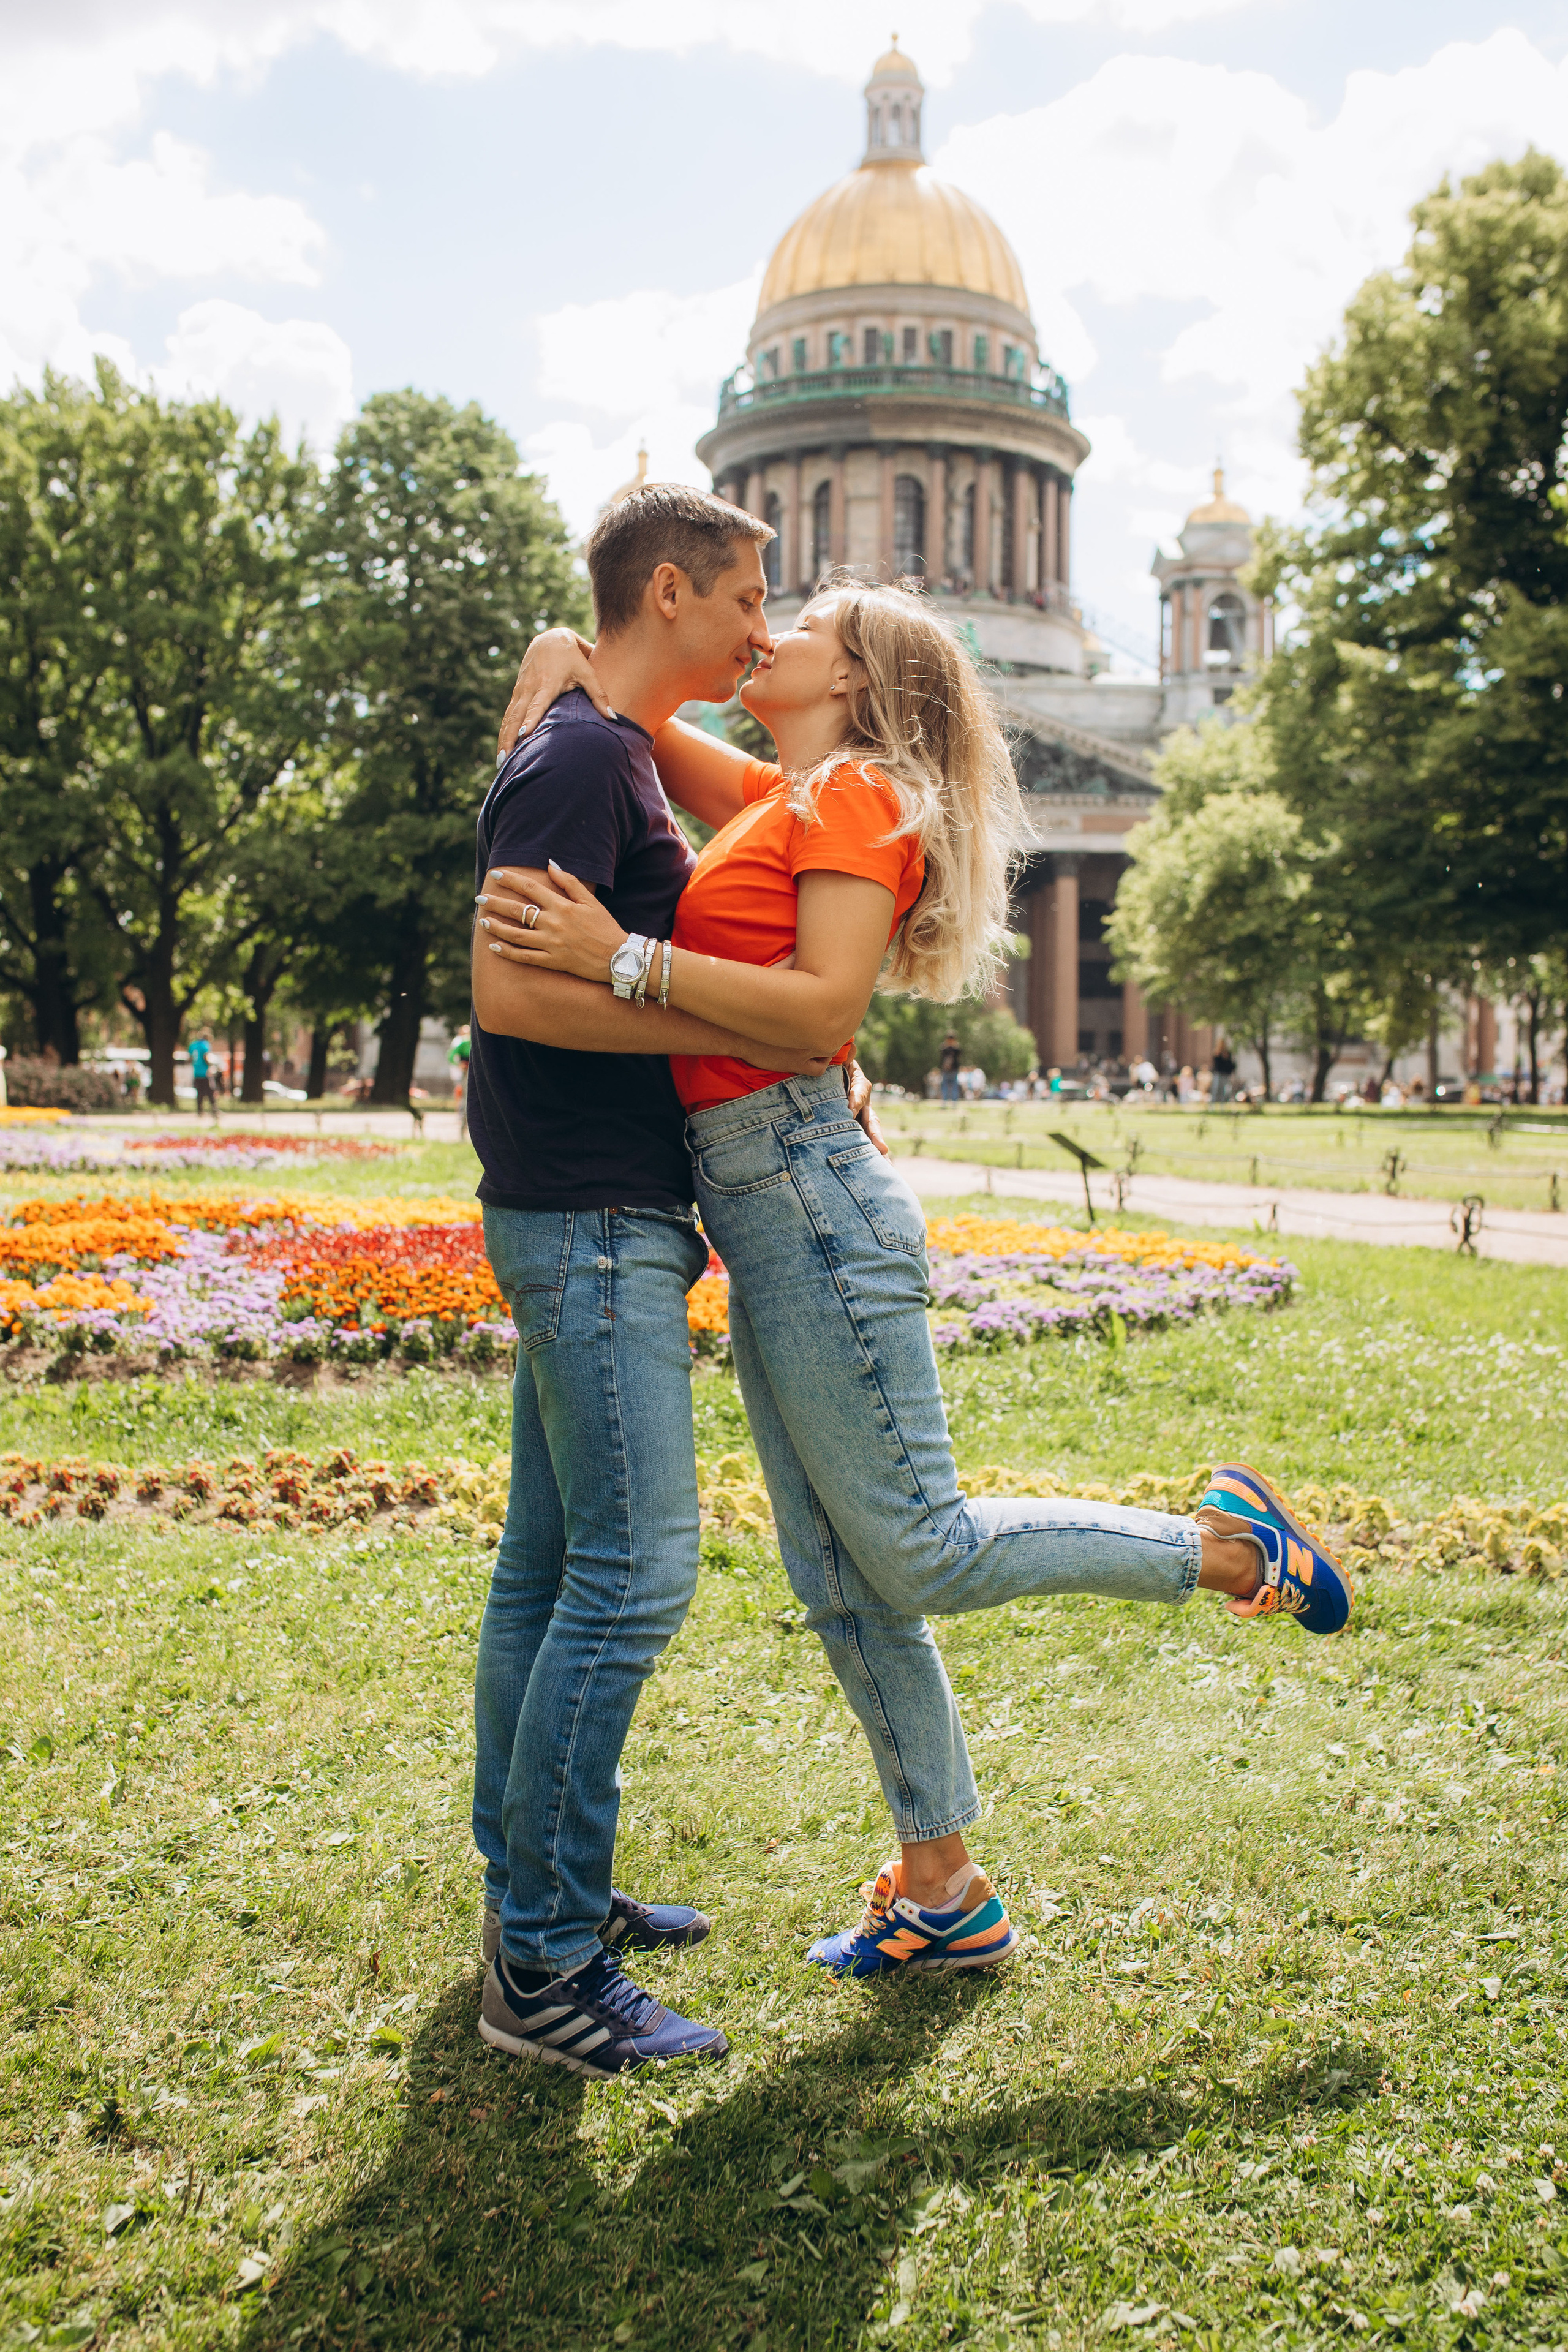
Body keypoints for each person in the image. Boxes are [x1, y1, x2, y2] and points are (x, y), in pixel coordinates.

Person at [484, 577, 1354, 1985]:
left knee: (915, 1545)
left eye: (808, 615)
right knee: (833, 1569)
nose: (772, 627)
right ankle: (941, 1886)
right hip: (762, 1190)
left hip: (805, 1191)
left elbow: (823, 1007)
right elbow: (630, 710)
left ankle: (1232, 1547)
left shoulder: (855, 796)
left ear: (862, 673)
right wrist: (553, 645)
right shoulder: (789, 789)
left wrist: (621, 956)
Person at [462, 484, 873, 2082]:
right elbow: (509, 989)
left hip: (588, 1206)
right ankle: (546, 1965)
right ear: (673, 590)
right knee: (629, 1580)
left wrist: (703, 1010)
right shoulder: (579, 757)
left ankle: (538, 1901)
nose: (763, 628)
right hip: (590, 1215)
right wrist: (736, 1027)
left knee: (550, 1568)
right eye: (745, 598)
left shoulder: (610, 744)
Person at [447, 1023, 471, 1139]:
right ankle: (463, 1121)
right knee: (464, 1097)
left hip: (476, 1071)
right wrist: (460, 1064)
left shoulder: (472, 1042)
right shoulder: (462, 1043)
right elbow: (451, 1056)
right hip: (466, 1072)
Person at [189, 1031, 217, 1121]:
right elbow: (206, 1057)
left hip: (196, 1072)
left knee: (199, 1093)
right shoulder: (205, 1045)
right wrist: (210, 1066)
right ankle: (214, 1110)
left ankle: (200, 1111)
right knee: (210, 1092)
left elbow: (190, 1058)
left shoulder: (193, 1045)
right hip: (205, 1073)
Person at [937, 1030, 962, 1104]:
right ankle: (944, 1103)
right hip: (946, 1071)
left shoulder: (956, 1049)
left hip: (954, 1070)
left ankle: (954, 1103)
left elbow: (960, 1054)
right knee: (944, 1087)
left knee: (954, 1087)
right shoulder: (944, 1048)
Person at [1210, 1039, 1236, 1105]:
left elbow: (1231, 1065)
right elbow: (1217, 1064)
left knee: (1224, 1090)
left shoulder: (1228, 1053)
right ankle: (1213, 1104)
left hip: (1226, 1074)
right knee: (1216, 1089)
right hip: (1218, 1074)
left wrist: (1227, 1058)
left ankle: (1223, 1104)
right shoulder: (1217, 1053)